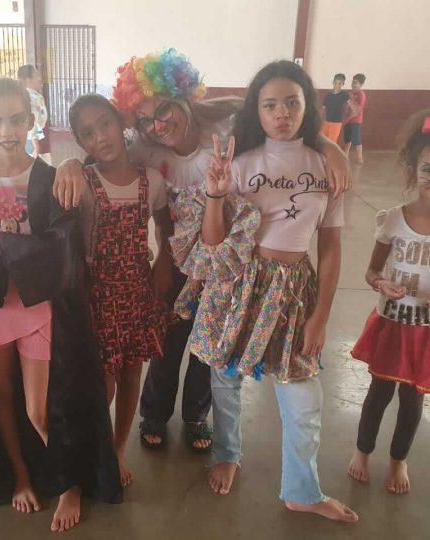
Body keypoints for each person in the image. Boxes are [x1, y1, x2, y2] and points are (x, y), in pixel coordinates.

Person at [52, 49, 352, 453]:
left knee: (211, 343)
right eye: (145, 120)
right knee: (167, 339)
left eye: (164, 110)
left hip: (225, 259)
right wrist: (69, 165)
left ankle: (196, 414)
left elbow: (281, 127)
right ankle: (154, 413)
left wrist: (329, 147)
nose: (158, 126)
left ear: (184, 98)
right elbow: (103, 157)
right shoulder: (144, 149)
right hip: (177, 259)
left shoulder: (226, 131)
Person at [179, 60, 357, 522]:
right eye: (270, 104)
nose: (282, 113)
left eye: (292, 103)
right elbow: (214, 243)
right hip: (240, 283)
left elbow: (331, 248)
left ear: (307, 107)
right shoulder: (239, 165)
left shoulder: (325, 166)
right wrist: (216, 195)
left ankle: (302, 490)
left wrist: (321, 316)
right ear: (256, 111)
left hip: (296, 290)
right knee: (226, 377)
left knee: (303, 395)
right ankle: (227, 452)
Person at [0, 78, 121, 532]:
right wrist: (3, 245)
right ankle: (22, 477)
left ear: (31, 120)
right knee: (0, 398)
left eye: (15, 119)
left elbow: (61, 247)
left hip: (39, 305)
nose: (6, 130)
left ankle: (69, 483)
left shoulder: (50, 178)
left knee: (40, 409)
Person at [69, 93, 171, 485]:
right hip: (98, 296)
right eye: (88, 133)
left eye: (105, 124)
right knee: (103, 383)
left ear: (119, 122)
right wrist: (67, 164)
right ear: (81, 142)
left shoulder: (152, 180)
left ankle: (117, 449)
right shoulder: (83, 182)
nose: (100, 137)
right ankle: (92, 452)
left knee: (131, 374)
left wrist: (163, 264)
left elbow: (165, 228)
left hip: (138, 292)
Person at [348, 109, 430, 495]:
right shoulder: (394, 219)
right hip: (393, 323)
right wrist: (382, 283)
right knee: (378, 394)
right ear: (414, 169)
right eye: (428, 168)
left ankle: (399, 459)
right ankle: (362, 451)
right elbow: (371, 272)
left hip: (425, 333)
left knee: (413, 401)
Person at [17, 64, 50, 161]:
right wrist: (36, 145)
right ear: (29, 80)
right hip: (34, 139)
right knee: (39, 165)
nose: (41, 78)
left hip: (36, 137)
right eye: (37, 75)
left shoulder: (33, 96)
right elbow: (32, 121)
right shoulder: (31, 98)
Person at [343, 73, 367, 164]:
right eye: (353, 82)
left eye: (356, 83)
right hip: (348, 120)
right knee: (347, 138)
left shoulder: (361, 94)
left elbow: (357, 111)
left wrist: (347, 119)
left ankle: (359, 157)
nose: (353, 84)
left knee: (356, 139)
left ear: (361, 84)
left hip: (356, 121)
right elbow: (346, 107)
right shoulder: (350, 94)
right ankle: (345, 154)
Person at [322, 73, 349, 143]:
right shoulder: (328, 95)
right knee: (323, 141)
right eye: (335, 83)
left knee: (332, 142)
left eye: (339, 83)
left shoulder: (344, 95)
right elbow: (323, 109)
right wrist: (321, 120)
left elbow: (351, 107)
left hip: (336, 122)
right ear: (333, 83)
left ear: (343, 84)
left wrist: (347, 118)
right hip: (326, 121)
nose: (337, 85)